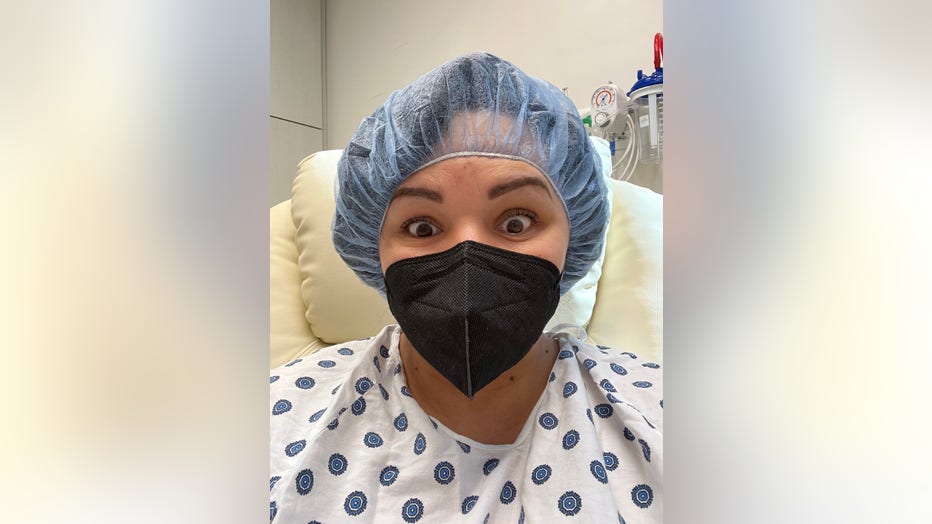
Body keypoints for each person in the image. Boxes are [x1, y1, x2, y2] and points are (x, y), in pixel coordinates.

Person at [270, 52, 662, 523]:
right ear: (372, 245)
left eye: (517, 221)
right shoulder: (277, 421)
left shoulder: (658, 416)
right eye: (421, 227)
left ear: (574, 235)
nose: (468, 258)